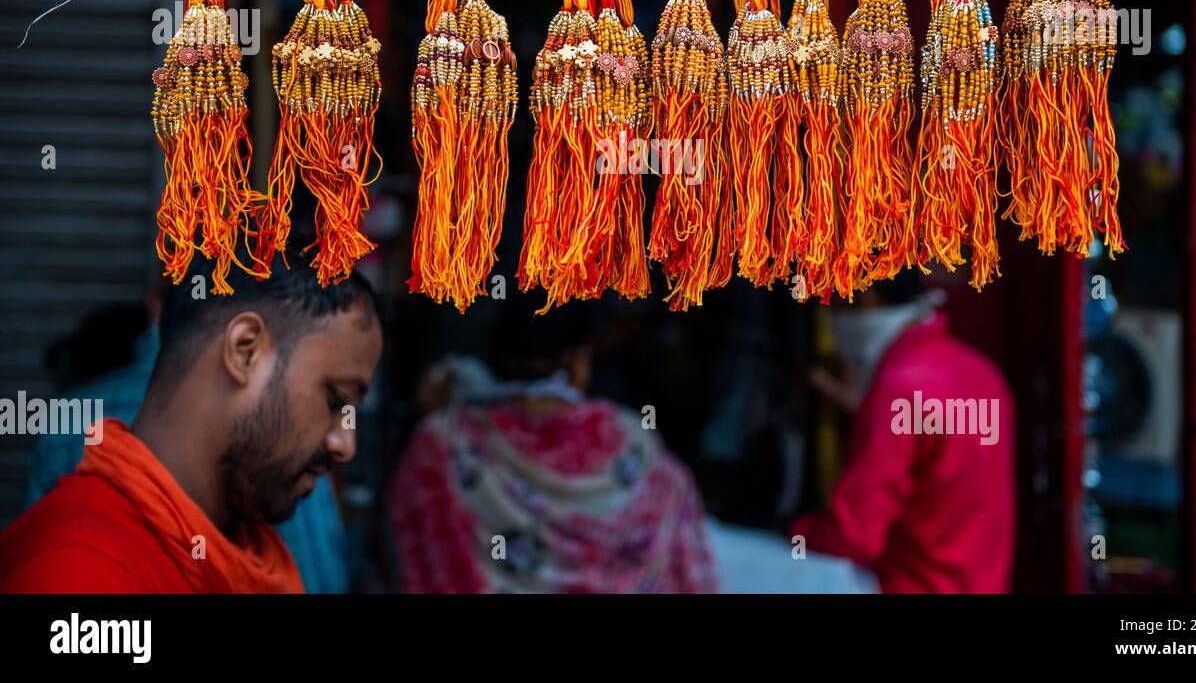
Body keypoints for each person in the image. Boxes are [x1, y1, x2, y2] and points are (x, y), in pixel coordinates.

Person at [0, 246, 382, 593]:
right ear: (245, 352)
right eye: (336, 399)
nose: (344, 445)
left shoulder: (246, 551)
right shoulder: (79, 572)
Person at [387, 303, 718, 593]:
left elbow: (405, 546)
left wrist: (431, 415)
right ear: (577, 363)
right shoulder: (634, 442)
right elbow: (678, 545)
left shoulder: (442, 439)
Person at [791, 271, 1016, 593]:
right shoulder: (983, 375)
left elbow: (854, 537)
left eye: (833, 297)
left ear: (866, 294)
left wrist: (795, 536)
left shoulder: (899, 389)